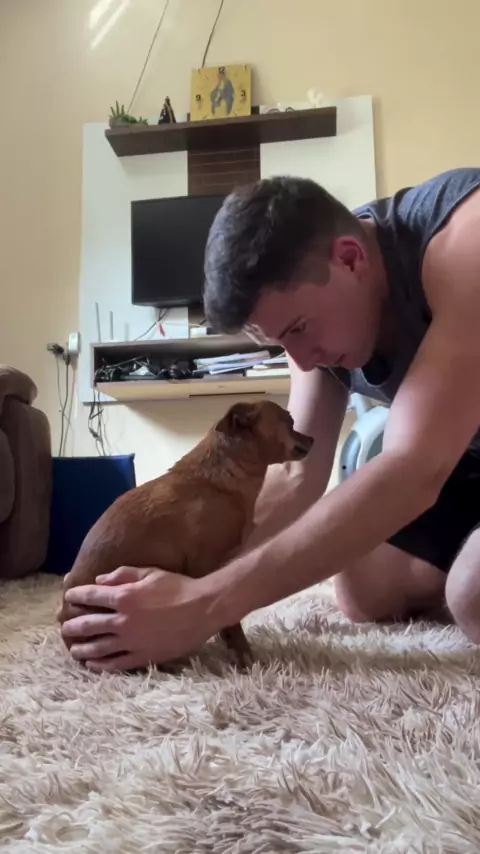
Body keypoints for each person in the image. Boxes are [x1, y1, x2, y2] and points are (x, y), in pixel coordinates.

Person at [63, 167, 480, 672]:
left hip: (434, 461)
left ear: (350, 258)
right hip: (462, 455)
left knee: (471, 594)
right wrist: (181, 582)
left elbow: (412, 468)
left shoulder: (464, 241)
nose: (301, 361)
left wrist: (203, 606)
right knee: (361, 589)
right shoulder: (322, 298)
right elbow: (296, 477)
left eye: (299, 328)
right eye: (282, 343)